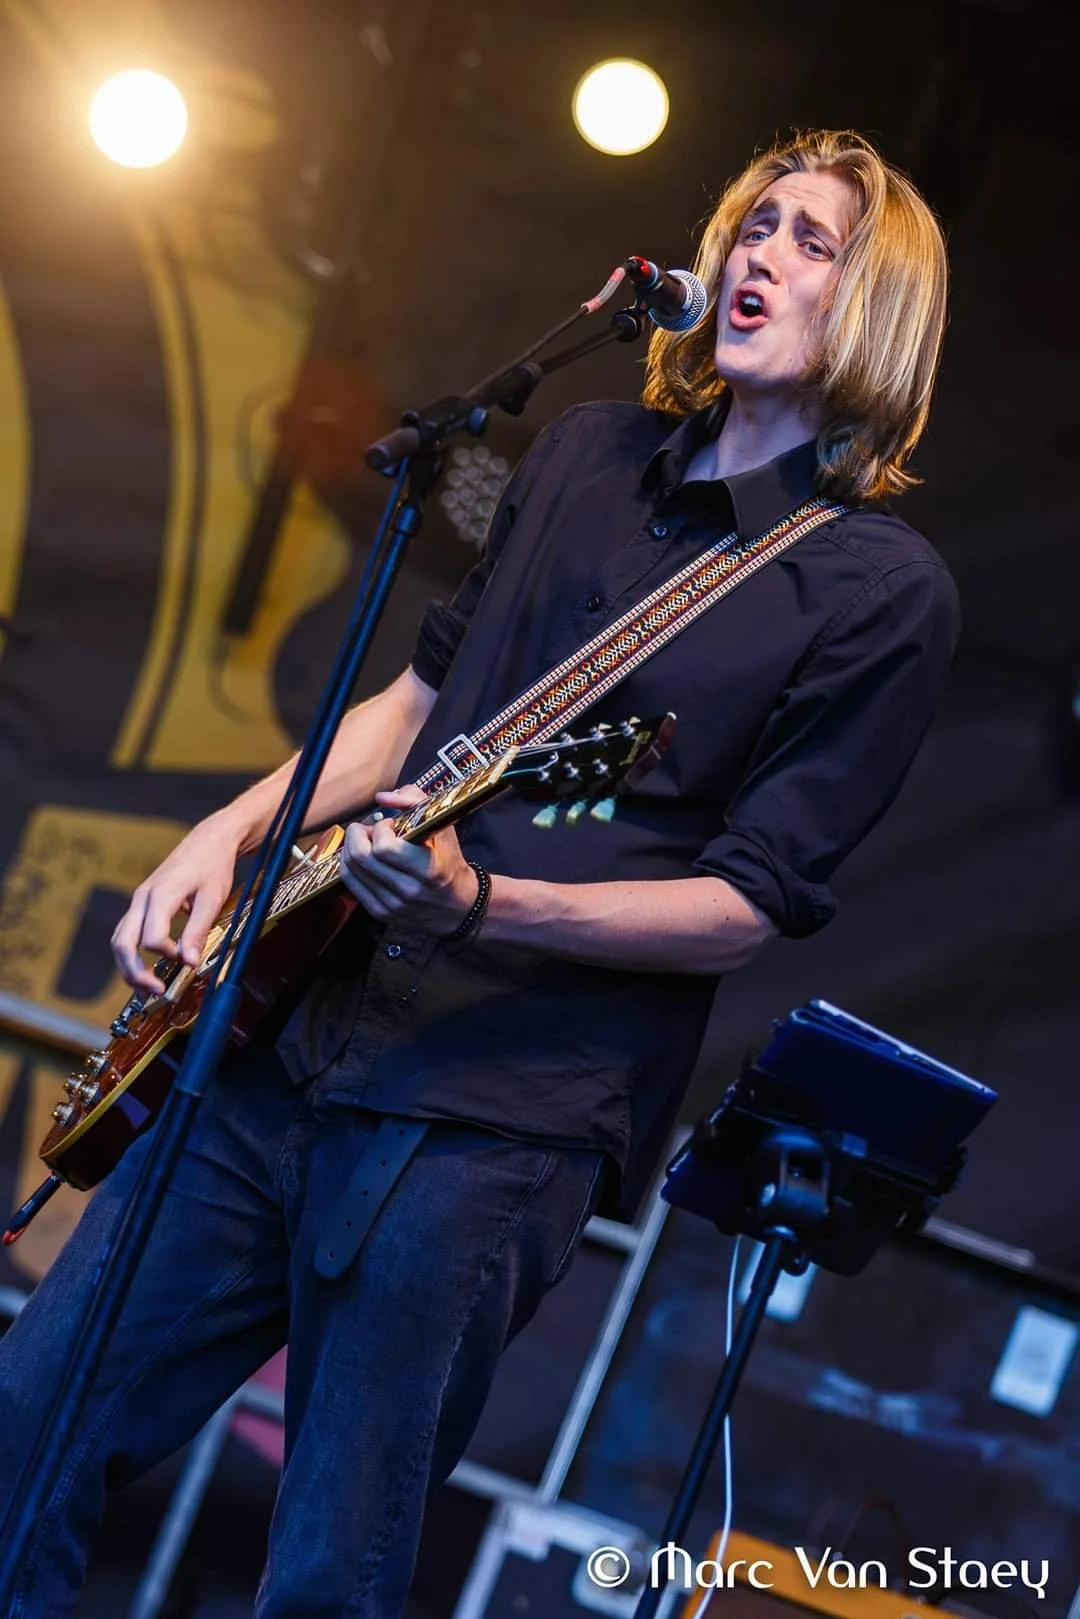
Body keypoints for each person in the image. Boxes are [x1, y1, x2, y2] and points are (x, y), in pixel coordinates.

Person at [0, 128, 957, 1617]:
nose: (761, 253)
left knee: (331, 1564)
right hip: (288, 1041)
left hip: (491, 1122)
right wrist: (224, 835)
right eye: (753, 223)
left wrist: (484, 903)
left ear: (880, 305)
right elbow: (415, 709)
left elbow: (747, 904)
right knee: (21, 1428)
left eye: (812, 240)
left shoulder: (878, 589)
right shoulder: (580, 451)